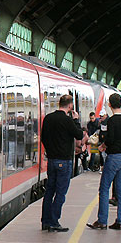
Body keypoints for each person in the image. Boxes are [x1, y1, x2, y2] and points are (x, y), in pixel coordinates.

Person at [88, 93, 121, 231]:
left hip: (113, 157)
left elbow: (111, 138)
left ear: (109, 105)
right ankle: (120, 221)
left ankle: (102, 221)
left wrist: (104, 145)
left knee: (104, 189)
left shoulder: (112, 121)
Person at [41, 95, 86, 232]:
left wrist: (50, 151)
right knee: (60, 192)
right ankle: (54, 222)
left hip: (52, 160)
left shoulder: (48, 118)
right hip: (64, 161)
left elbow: (43, 137)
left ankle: (45, 221)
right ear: (70, 106)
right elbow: (79, 135)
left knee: (49, 191)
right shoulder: (67, 120)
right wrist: (76, 120)